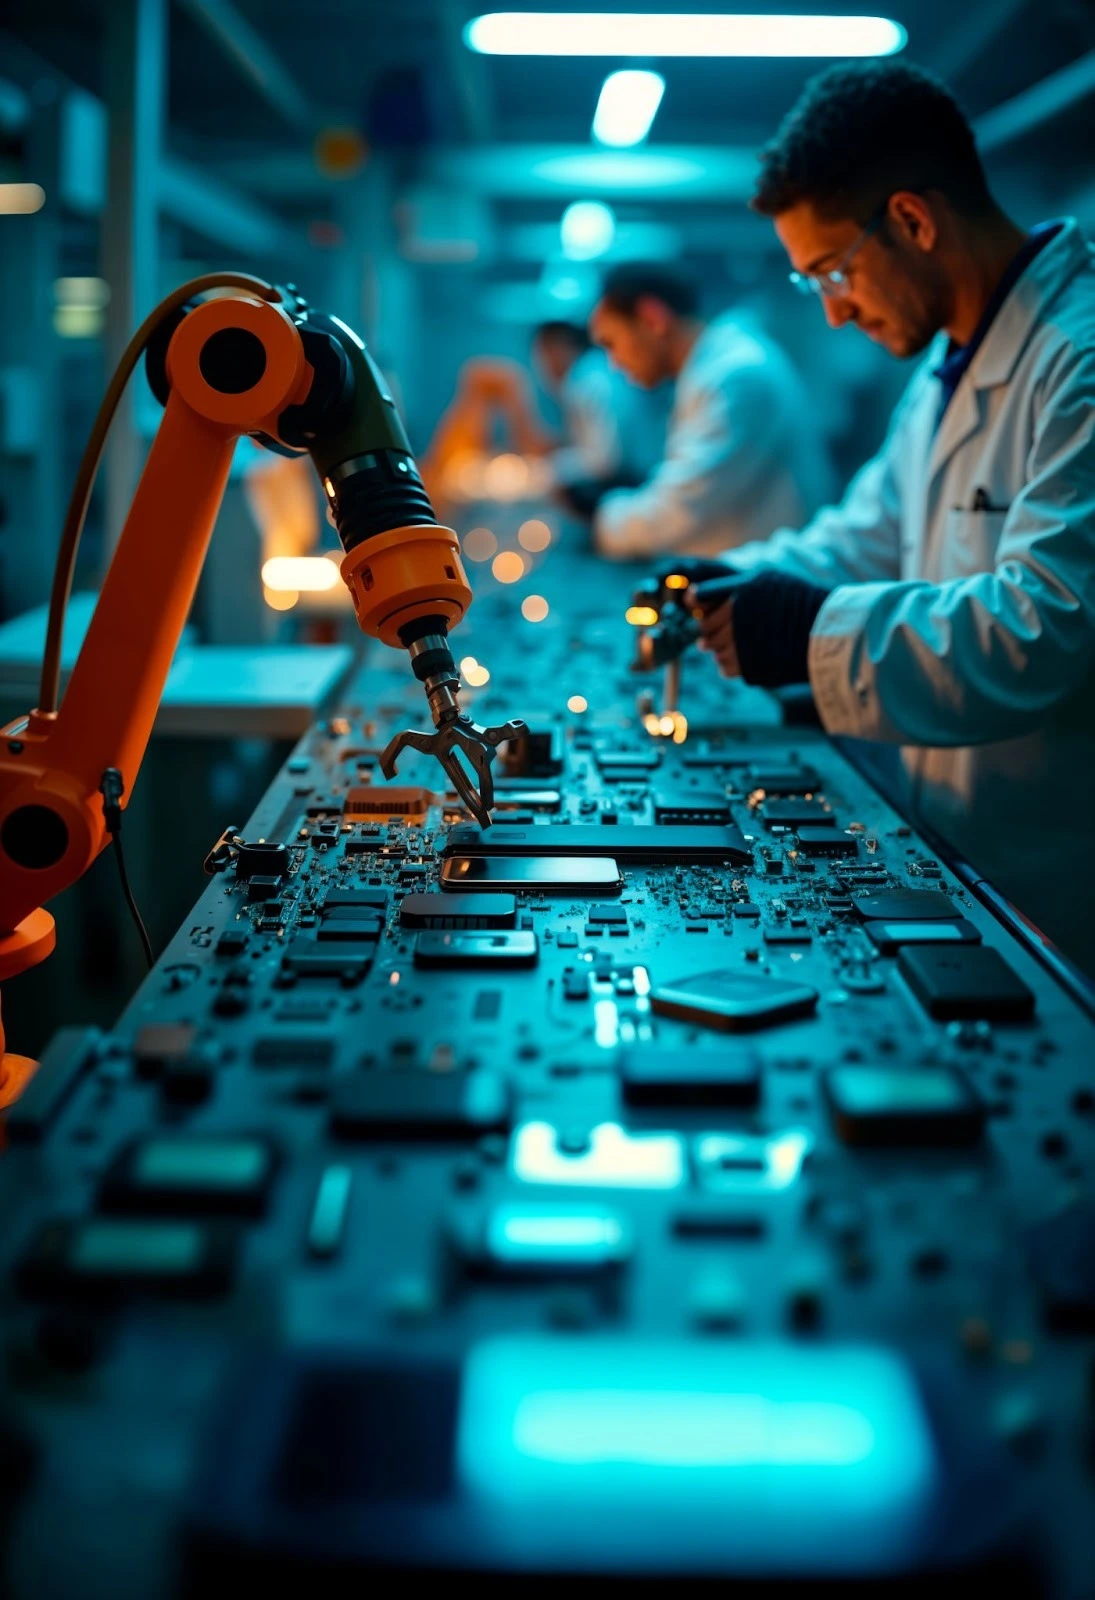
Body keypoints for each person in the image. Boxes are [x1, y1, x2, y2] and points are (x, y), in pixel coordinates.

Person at [678, 59, 1095, 975]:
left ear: (910, 219)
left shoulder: (1079, 363)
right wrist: (732, 580)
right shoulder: (948, 368)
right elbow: (861, 537)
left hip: (1067, 879)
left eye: (832, 272)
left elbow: (1044, 627)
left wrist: (804, 630)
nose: (831, 314)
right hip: (968, 849)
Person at [588, 262, 831, 559]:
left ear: (652, 318)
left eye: (611, 343)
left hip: (767, 589)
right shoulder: (713, 372)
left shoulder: (736, 376)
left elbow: (678, 511)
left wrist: (599, 518)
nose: (614, 363)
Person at [529, 320, 670, 512]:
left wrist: (548, 469)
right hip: (644, 485)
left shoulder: (590, 380)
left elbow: (605, 461)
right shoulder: (588, 375)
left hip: (640, 487)